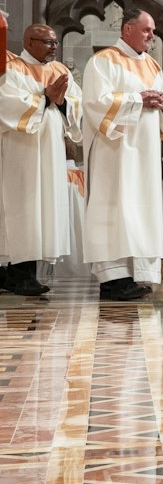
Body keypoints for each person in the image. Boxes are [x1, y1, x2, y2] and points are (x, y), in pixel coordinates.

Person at [82, 7, 163, 300]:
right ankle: (112, 278)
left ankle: (135, 274)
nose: (152, 35)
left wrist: (162, 105)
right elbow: (96, 103)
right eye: (147, 30)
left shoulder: (152, 65)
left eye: (152, 30)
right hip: (115, 150)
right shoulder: (103, 61)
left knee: (140, 209)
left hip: (145, 152)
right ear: (127, 30)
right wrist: (138, 99)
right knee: (114, 207)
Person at [0, 23, 83, 296]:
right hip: (20, 153)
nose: (54, 47)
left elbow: (75, 106)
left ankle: (24, 273)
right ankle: (18, 274)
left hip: (51, 153)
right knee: (22, 210)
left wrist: (60, 103)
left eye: (55, 42)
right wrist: (44, 99)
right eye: (48, 42)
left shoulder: (60, 71)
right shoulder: (11, 67)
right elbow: (6, 103)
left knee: (43, 209)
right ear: (29, 41)